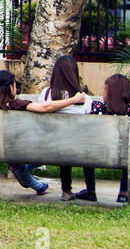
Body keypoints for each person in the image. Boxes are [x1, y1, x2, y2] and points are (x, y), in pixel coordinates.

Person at [0, 69, 86, 194]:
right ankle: (38, 185)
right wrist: (74, 100)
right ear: (10, 87)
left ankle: (39, 187)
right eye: (15, 85)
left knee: (18, 165)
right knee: (39, 155)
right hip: (22, 150)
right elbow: (46, 107)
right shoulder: (16, 104)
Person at [86, 74, 130, 203]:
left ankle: (91, 191)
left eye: (104, 89)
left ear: (109, 92)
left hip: (96, 155)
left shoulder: (97, 108)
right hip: (122, 156)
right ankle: (124, 192)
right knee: (128, 150)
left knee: (88, 148)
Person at [38, 54, 93, 200]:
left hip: (50, 145)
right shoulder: (85, 100)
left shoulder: (46, 94)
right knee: (74, 141)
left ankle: (66, 190)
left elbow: (45, 108)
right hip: (80, 149)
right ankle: (90, 190)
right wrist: (74, 100)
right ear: (74, 73)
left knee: (63, 141)